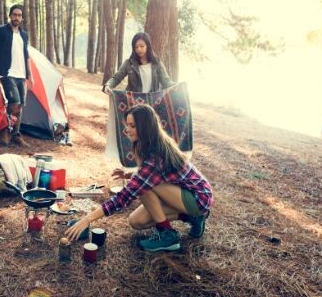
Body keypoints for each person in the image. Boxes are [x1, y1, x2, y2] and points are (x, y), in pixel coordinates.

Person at [65, 104, 213, 252]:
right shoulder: (149, 143)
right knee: (136, 221)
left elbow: (125, 196)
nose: (127, 129)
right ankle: (193, 217)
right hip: (181, 193)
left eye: (132, 126)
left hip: (198, 196)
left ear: (145, 127)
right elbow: (156, 174)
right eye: (127, 125)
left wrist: (87, 219)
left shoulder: (157, 153)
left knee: (143, 186)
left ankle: (168, 236)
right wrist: (129, 175)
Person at [0, 4, 34, 147]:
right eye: (15, 14)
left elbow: (27, 56)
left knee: (20, 105)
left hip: (21, 74)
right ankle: (3, 131)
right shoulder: (1, 31)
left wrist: (30, 76)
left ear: (22, 18)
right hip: (7, 73)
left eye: (19, 15)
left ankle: (15, 134)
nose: (17, 18)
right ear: (10, 16)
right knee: (14, 103)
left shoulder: (24, 35)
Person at [103, 32, 174, 94]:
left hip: (152, 102)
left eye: (142, 46)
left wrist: (177, 86)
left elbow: (166, 81)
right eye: (136, 47)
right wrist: (108, 85)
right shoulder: (129, 63)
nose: (139, 49)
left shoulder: (156, 63)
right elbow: (116, 78)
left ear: (148, 46)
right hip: (133, 103)